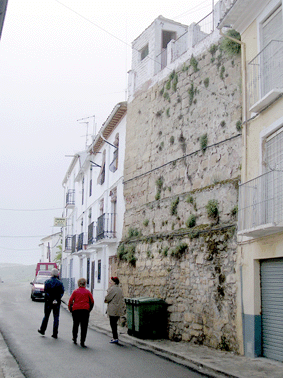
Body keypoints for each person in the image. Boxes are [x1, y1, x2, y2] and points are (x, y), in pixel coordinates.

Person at [38, 268, 64, 339]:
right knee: (56, 317)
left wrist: (50, 298)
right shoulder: (60, 283)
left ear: (51, 274)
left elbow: (45, 291)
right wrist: (57, 298)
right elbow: (62, 292)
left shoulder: (47, 282)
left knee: (46, 316)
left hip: (48, 301)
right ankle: (55, 333)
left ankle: (42, 330)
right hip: (57, 301)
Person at [68, 278, 94, 348]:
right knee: (84, 326)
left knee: (75, 324)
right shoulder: (88, 292)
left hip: (76, 310)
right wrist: (89, 309)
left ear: (78, 283)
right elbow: (92, 301)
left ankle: (74, 338)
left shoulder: (75, 291)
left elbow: (70, 301)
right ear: (85, 284)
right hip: (85, 310)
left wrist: (70, 309)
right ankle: (82, 341)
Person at [104, 276, 125, 344]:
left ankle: (115, 337)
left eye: (111, 281)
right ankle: (115, 337)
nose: (110, 283)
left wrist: (105, 299)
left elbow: (108, 298)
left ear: (114, 282)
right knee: (115, 323)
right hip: (118, 308)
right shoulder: (119, 289)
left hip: (113, 308)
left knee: (112, 323)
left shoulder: (112, 289)